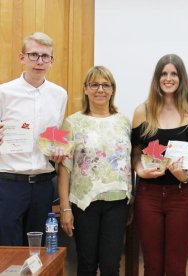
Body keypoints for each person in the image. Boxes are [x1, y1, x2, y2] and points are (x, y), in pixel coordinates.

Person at [131, 54, 188, 276]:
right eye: (163, 74)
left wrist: (187, 175)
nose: (168, 78)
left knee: (176, 266)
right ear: (157, 78)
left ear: (181, 78)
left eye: (173, 74)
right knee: (152, 266)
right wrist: (140, 171)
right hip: (148, 196)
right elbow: (135, 152)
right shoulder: (142, 111)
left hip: (183, 196)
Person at [58, 66, 132, 275]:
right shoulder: (72, 122)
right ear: (86, 89)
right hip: (84, 204)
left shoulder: (124, 122)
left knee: (111, 266)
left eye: (105, 85)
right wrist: (65, 209)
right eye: (94, 85)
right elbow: (64, 167)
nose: (100, 89)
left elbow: (130, 162)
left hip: (117, 203)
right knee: (87, 264)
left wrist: (131, 201)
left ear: (112, 90)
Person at [0, 32, 68, 246]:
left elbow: (55, 136)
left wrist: (59, 150)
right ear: (22, 58)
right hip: (9, 183)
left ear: (52, 61)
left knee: (38, 251)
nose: (39, 61)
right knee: (8, 249)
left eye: (45, 56)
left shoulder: (59, 95)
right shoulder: (4, 93)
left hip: (43, 184)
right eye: (34, 55)